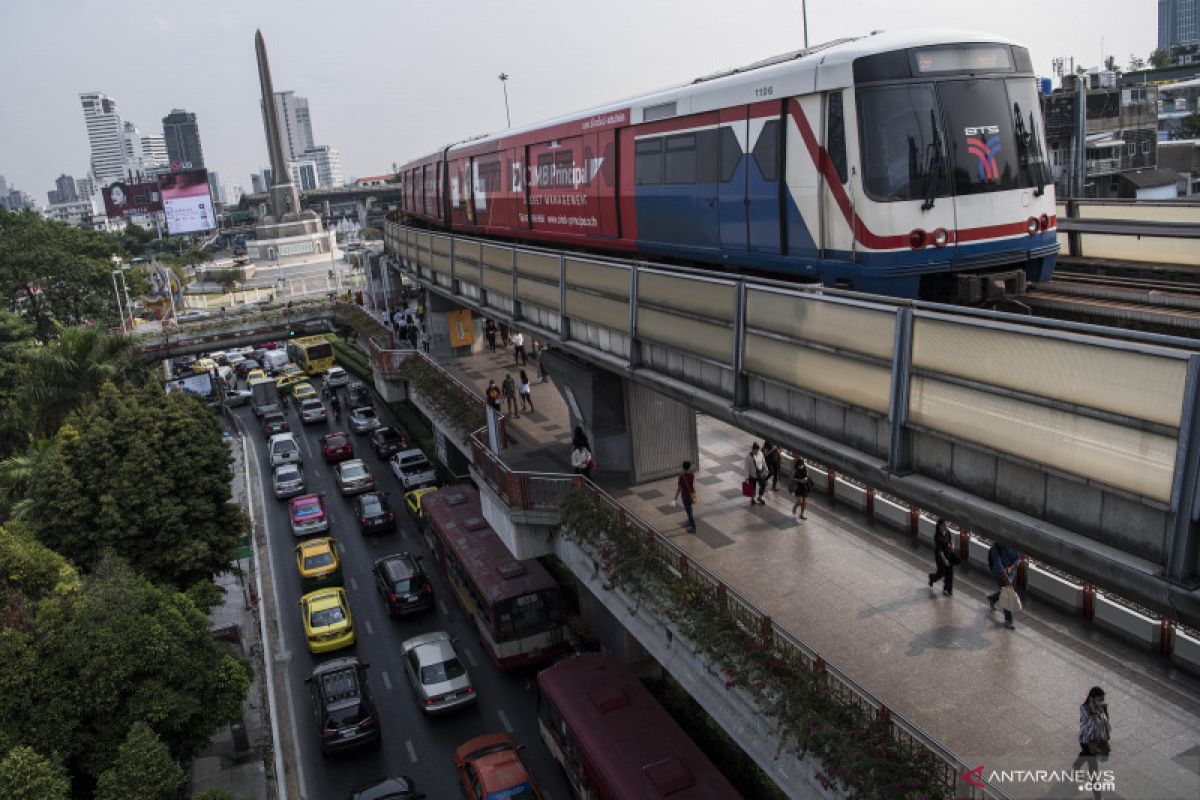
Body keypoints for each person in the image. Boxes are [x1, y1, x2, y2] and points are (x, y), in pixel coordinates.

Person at [987, 542, 1021, 630]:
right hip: (1000, 575)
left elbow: (1018, 558)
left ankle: (993, 598)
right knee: (1008, 594)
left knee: (1007, 592)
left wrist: (1011, 568)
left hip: (1012, 574)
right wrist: (1007, 581)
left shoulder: (1014, 544)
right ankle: (1008, 620)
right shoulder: (996, 547)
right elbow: (998, 566)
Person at [1078, 686, 1111, 758]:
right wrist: (1093, 711)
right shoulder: (1084, 708)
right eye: (1099, 700)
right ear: (1092, 699)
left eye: (1102, 700)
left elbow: (1105, 721)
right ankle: (1078, 763)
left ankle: (1078, 763)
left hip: (1098, 738)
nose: (1101, 702)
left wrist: (1107, 733)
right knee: (1091, 758)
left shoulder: (1102, 707)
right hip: (1087, 738)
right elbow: (1090, 724)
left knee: (1089, 755)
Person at [927, 518, 955, 597]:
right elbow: (940, 551)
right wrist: (944, 560)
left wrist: (952, 546)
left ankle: (947, 590)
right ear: (940, 526)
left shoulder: (947, 532)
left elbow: (951, 540)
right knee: (941, 573)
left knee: (950, 573)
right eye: (944, 525)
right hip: (940, 557)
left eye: (946, 524)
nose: (946, 526)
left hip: (948, 554)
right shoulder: (937, 536)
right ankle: (932, 578)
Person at [673, 460, 697, 533]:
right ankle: (690, 520)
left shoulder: (681, 477)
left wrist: (675, 497)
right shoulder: (692, 475)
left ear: (683, 467)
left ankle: (693, 527)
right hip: (692, 494)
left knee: (688, 511)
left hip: (685, 496)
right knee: (690, 508)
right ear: (689, 467)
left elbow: (679, 488)